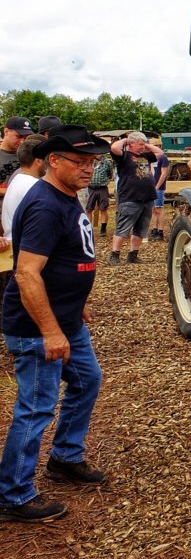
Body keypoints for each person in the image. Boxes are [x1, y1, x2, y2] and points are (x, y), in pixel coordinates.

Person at [0, 125, 109, 524]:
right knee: (35, 407)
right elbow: (27, 274)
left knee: (87, 380)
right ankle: (13, 495)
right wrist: (49, 330)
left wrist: (75, 305)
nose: (88, 169)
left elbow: (66, 259)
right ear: (53, 161)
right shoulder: (45, 204)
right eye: (79, 162)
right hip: (36, 328)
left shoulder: (66, 196)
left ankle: (64, 457)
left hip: (66, 318)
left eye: (92, 162)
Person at [108, 132, 164, 265]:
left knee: (141, 228)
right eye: (140, 144)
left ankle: (133, 255)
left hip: (148, 197)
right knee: (123, 227)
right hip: (130, 197)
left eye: (143, 144)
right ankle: (114, 255)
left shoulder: (145, 156)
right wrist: (126, 140)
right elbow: (114, 148)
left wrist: (146, 145)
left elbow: (160, 153)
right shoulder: (124, 156)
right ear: (131, 144)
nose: (142, 147)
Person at [1, 135, 47, 241]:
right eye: (47, 159)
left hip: (15, 243)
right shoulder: (34, 186)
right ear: (39, 161)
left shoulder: (17, 179)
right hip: (25, 246)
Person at [1, 118, 35, 220]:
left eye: (25, 138)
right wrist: (13, 190)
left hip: (24, 215)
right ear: (6, 131)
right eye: (18, 136)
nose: (22, 141)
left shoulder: (28, 155)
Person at [86, 153, 114, 236]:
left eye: (99, 153)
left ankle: (103, 229)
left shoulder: (107, 163)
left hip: (102, 188)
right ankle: (88, 229)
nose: (97, 154)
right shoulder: (88, 161)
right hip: (90, 188)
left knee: (103, 208)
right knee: (88, 209)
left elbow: (110, 174)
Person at [148, 151, 171, 240]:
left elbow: (164, 173)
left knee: (159, 208)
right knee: (153, 209)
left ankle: (160, 230)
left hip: (158, 187)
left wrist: (157, 186)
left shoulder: (163, 157)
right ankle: (155, 228)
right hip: (151, 186)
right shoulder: (150, 158)